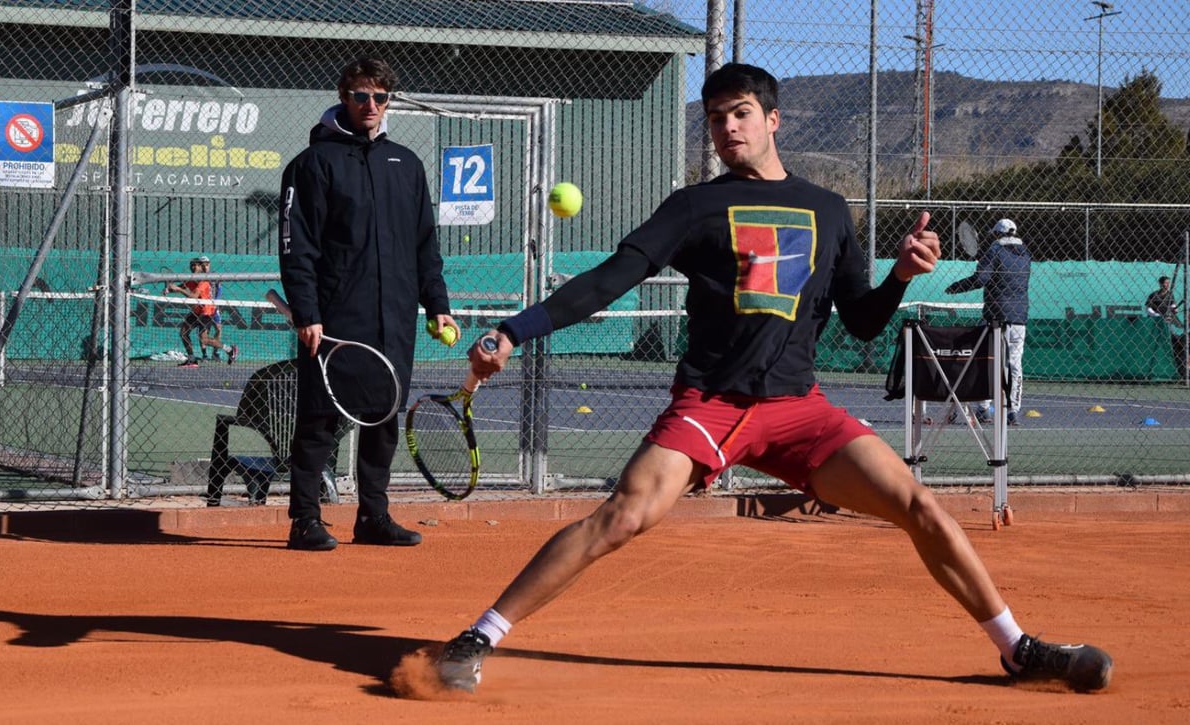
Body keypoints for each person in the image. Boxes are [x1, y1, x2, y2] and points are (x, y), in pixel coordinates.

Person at [434, 63, 1111, 694]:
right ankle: (475, 637)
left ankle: (1016, 647)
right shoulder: (694, 206)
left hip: (799, 410)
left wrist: (900, 275)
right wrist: (514, 330)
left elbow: (865, 320)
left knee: (920, 505)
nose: (728, 129)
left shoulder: (828, 209)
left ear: (773, 120)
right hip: (710, 402)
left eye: (741, 114)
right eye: (716, 119)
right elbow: (613, 278)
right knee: (624, 516)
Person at [278, 57, 456, 551]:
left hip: (393, 316)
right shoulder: (312, 164)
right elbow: (298, 246)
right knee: (319, 418)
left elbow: (425, 244)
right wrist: (308, 312)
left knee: (384, 416)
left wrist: (436, 304)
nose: (371, 106)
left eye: (380, 97)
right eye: (361, 95)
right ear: (343, 96)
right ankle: (305, 520)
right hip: (335, 317)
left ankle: (373, 516)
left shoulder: (407, 163)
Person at [943, 218, 1031, 426]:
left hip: (995, 317)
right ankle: (1013, 412)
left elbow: (982, 278)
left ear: (996, 234)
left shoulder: (994, 250)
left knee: (987, 361)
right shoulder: (1026, 254)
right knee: (1014, 365)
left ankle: (984, 409)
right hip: (1019, 318)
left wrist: (957, 286)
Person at [167, 255, 238, 368]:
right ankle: (192, 360)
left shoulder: (204, 281)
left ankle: (229, 350)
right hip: (196, 311)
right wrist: (169, 289)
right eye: (192, 265)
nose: (194, 267)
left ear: (201, 267)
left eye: (196, 265)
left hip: (206, 312)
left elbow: (193, 295)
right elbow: (183, 285)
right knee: (183, 333)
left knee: (203, 339)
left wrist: (178, 289)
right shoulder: (192, 279)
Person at [1146, 275, 1187, 377]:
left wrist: (1174, 309)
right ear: (1160, 283)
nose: (1167, 285)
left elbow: (1173, 306)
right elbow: (1148, 308)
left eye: (1169, 283)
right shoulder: (1154, 295)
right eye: (1165, 283)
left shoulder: (1170, 295)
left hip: (1167, 322)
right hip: (1155, 322)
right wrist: (1157, 315)